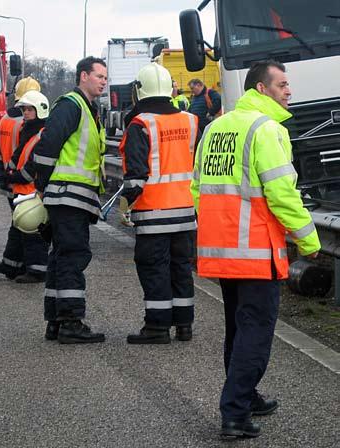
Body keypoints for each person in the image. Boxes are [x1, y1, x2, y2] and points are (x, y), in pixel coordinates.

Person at [190, 60, 321, 438]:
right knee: (256, 333)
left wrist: (221, 229)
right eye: (281, 84)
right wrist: (308, 241)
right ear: (261, 89)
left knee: (238, 327)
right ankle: (234, 412)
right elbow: (282, 194)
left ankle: (245, 397)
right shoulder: (266, 130)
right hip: (256, 250)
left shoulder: (215, 127)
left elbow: (198, 190)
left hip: (221, 250)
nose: (288, 90)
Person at [119, 63, 199, 344]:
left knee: (154, 269)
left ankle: (157, 327)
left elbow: (136, 176)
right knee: (180, 268)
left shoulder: (140, 124)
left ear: (138, 92)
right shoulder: (190, 121)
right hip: (187, 213)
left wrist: (124, 204)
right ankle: (184, 325)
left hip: (153, 214)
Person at [33, 56, 107, 343]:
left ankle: (55, 319)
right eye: (99, 75)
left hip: (72, 195)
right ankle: (71, 321)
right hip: (68, 194)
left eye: (105, 76)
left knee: (61, 256)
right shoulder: (72, 105)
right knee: (73, 256)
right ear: (83, 76)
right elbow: (48, 146)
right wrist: (42, 184)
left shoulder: (88, 109)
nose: (103, 81)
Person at [0, 90, 50, 283]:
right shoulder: (29, 130)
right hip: (22, 190)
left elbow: (32, 167)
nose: (25, 113)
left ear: (40, 110)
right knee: (17, 228)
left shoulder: (42, 134)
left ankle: (37, 271)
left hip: (32, 191)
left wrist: (12, 177)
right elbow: (18, 157)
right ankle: (10, 265)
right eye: (24, 109)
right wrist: (6, 174)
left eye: (29, 109)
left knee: (31, 231)